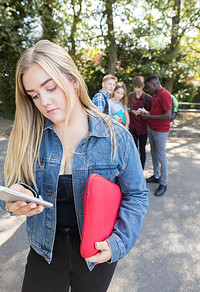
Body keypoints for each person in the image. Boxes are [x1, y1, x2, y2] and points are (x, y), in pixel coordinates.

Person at [0, 40, 149, 292]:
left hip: (96, 256)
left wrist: (118, 242)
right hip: (44, 254)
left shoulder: (116, 137)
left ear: (73, 81)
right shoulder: (30, 136)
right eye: (34, 95)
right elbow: (14, 184)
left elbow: (136, 195)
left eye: (51, 88)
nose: (44, 101)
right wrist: (16, 195)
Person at [141, 75, 172, 197]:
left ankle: (163, 183)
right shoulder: (156, 95)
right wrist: (147, 113)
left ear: (154, 85)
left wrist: (149, 117)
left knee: (161, 156)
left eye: (148, 87)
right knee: (153, 153)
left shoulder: (165, 94)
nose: (148, 90)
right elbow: (157, 112)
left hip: (161, 131)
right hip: (152, 129)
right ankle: (156, 175)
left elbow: (168, 115)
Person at [128, 76, 152, 170]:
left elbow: (152, 113)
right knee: (133, 150)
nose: (136, 90)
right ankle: (133, 169)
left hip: (143, 128)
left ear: (142, 86)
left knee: (142, 150)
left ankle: (141, 170)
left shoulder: (148, 98)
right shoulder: (130, 96)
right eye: (135, 87)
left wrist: (144, 112)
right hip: (132, 127)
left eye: (139, 87)